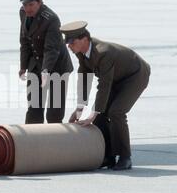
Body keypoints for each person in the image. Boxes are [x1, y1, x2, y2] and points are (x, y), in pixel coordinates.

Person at [60, 21, 151, 171]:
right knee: (101, 115)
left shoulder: (103, 52)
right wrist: (80, 108)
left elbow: (104, 85)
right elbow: (84, 77)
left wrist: (92, 114)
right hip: (116, 78)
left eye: (72, 42)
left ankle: (124, 157)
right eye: (68, 43)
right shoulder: (81, 52)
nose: (69, 46)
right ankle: (108, 156)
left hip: (135, 76)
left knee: (116, 112)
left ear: (84, 39)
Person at [18, 0, 73, 124]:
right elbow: (24, 40)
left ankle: (54, 141)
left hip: (57, 67)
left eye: (31, 4)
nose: (28, 8)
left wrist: (46, 70)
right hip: (36, 64)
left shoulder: (51, 19)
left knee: (54, 111)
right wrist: (23, 66)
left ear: (40, 2)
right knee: (34, 108)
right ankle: (32, 140)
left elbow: (51, 49)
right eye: (25, 4)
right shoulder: (23, 12)